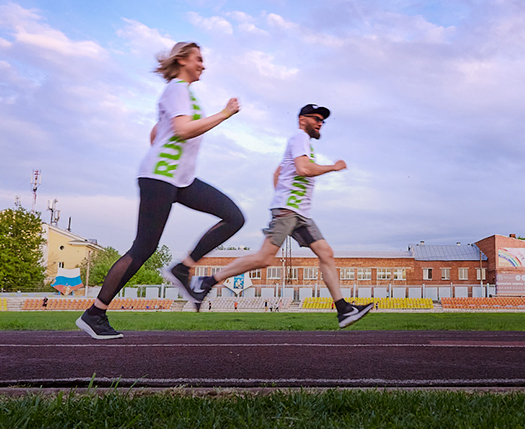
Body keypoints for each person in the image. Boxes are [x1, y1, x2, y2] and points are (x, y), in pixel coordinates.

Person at [76, 42, 245, 340]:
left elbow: (158, 132)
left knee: (233, 217)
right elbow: (181, 130)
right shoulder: (177, 89)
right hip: (159, 178)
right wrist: (225, 113)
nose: (203, 65)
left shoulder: (183, 94)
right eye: (199, 59)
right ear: (182, 61)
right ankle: (95, 313)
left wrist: (167, 139)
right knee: (144, 248)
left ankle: (183, 269)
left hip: (180, 179)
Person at [195, 104, 373, 328]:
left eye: (322, 120)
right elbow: (303, 169)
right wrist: (333, 168)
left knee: (326, 253)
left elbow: (279, 172)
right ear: (302, 120)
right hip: (289, 211)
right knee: (264, 259)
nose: (320, 123)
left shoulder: (302, 144)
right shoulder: (299, 137)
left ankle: (344, 310)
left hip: (300, 214)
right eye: (316, 118)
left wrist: (281, 194)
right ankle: (207, 281)